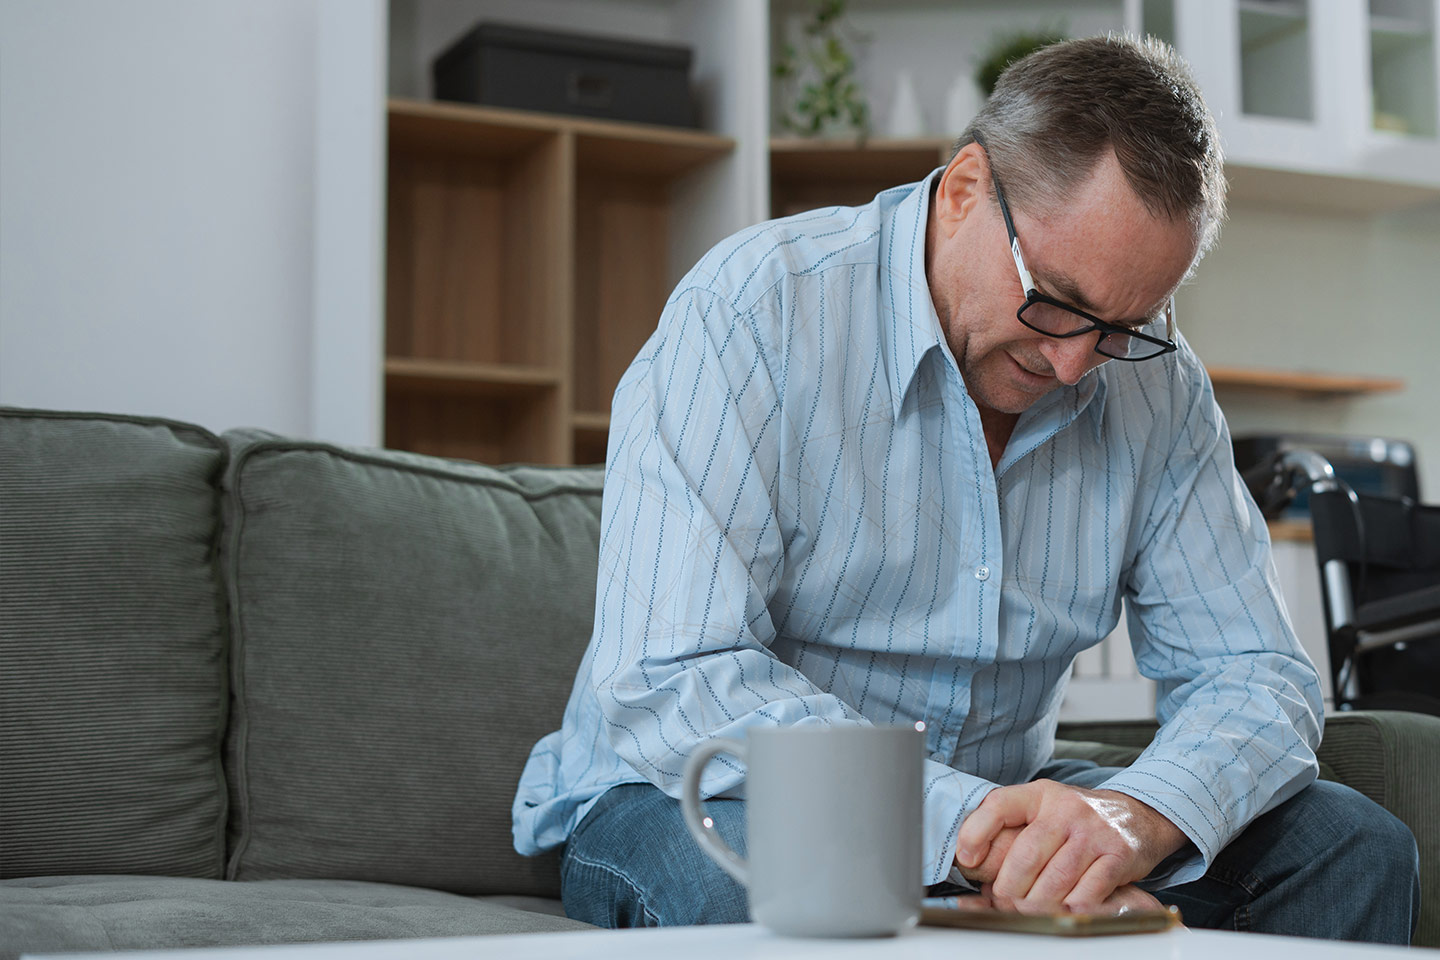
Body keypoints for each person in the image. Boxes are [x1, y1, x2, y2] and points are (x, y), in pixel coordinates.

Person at [511, 35, 1420, 942]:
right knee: (775, 907)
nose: (1073, 365)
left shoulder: (1159, 386)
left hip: (997, 801)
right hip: (696, 795)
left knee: (1351, 845)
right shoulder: (754, 312)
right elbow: (675, 675)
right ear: (964, 192)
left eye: (1120, 326)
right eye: (1055, 301)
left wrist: (1138, 816)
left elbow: (1255, 673)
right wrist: (970, 829)